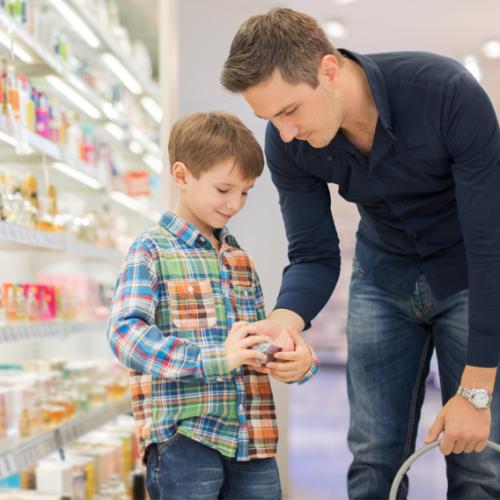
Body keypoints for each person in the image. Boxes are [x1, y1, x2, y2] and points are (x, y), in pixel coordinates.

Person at [221, 7, 500, 499]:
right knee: (373, 457)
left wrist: (476, 392)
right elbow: (313, 253)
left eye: (288, 111)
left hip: (469, 274)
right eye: (270, 119)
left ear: (329, 70)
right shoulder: (288, 142)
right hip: (381, 276)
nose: (283, 134)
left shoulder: (445, 93)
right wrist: (283, 322)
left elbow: (490, 244)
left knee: (477, 461)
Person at [107, 111, 319, 500]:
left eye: (245, 191)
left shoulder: (238, 258)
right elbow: (125, 334)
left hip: (252, 439)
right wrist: (212, 358)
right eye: (224, 190)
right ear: (183, 175)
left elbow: (254, 341)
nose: (236, 203)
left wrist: (297, 359)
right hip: (186, 440)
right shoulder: (150, 250)